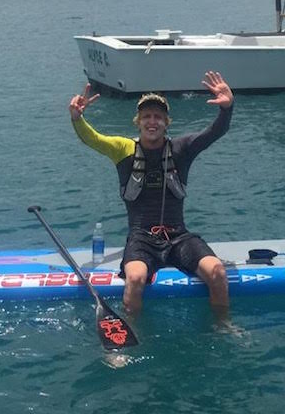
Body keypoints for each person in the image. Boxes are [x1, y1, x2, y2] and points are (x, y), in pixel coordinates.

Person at [68, 71, 233, 318]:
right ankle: (130, 334)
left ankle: (223, 327)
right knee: (135, 278)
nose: (152, 121)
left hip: (179, 237)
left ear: (167, 122)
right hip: (142, 239)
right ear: (138, 122)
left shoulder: (181, 148)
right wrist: (77, 118)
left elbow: (214, 133)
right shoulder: (122, 149)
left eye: (158, 116)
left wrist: (227, 108)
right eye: (146, 117)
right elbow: (93, 139)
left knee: (218, 272)